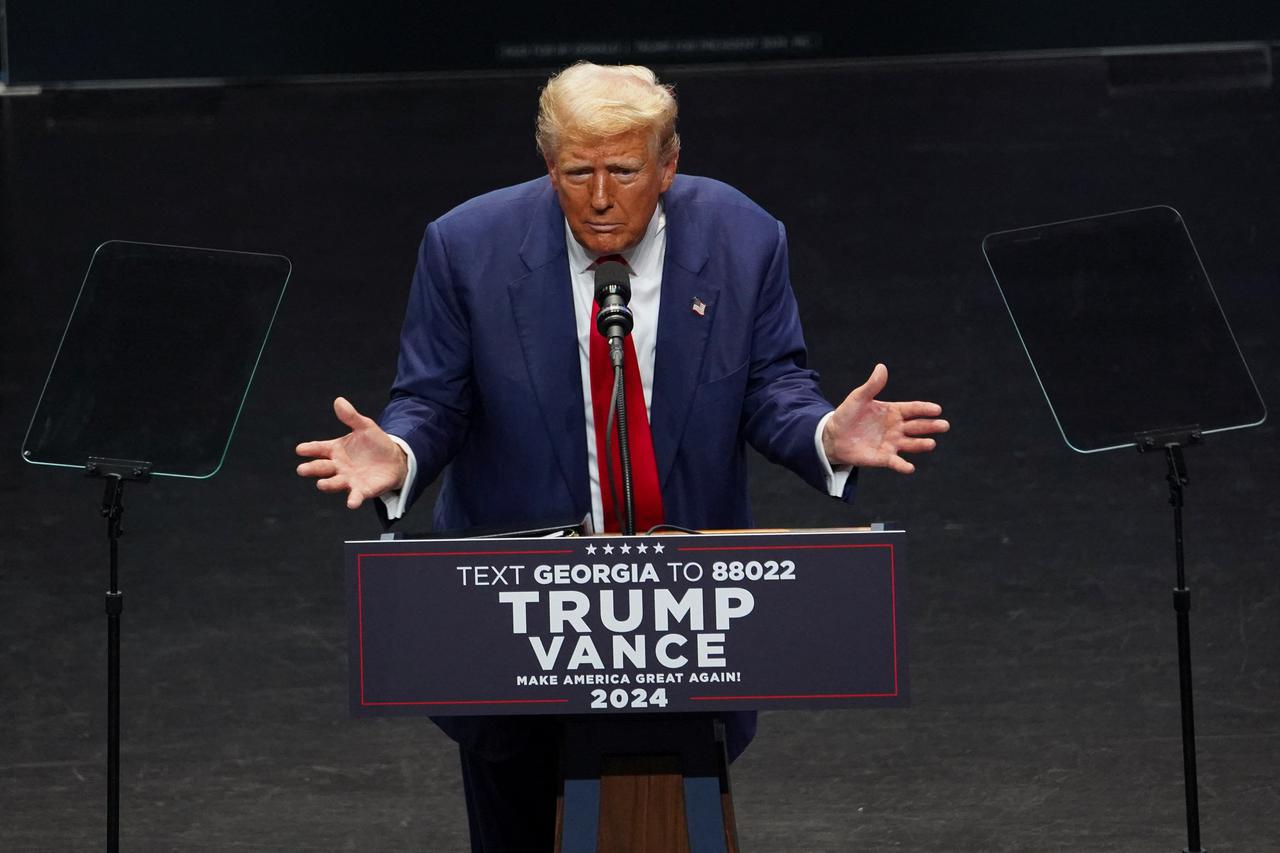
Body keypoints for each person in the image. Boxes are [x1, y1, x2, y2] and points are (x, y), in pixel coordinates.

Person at [297, 62, 948, 853]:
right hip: (524, 625)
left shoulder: (744, 238)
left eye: (624, 171)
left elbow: (773, 384)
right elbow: (434, 398)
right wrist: (398, 451)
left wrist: (822, 435)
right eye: (577, 173)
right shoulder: (466, 247)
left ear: (668, 165)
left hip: (679, 617)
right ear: (549, 167)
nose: (600, 197)